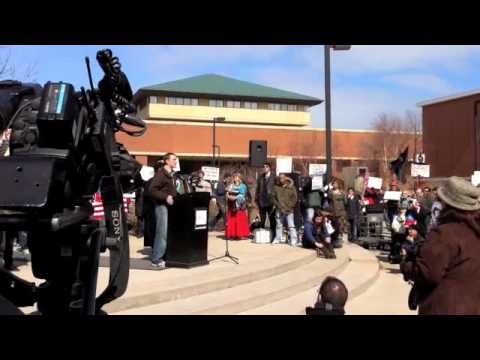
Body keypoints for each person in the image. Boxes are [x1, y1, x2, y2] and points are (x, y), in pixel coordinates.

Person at [401, 177, 480, 314]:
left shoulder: (444, 234)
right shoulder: (476, 232)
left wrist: (406, 264)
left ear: (446, 203)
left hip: (444, 307)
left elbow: (427, 273)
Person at [148, 153, 178, 268]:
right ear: (167, 161)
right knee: (162, 233)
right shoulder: (161, 174)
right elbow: (152, 190)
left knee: (166, 232)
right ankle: (156, 259)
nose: (175, 161)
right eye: (174, 159)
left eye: (176, 159)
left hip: (169, 207)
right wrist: (166, 197)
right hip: (161, 206)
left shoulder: (171, 175)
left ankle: (164, 255)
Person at [271, 173, 298, 246]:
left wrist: (290, 206)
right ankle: (277, 238)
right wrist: (278, 205)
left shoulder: (291, 187)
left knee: (291, 225)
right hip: (279, 208)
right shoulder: (276, 187)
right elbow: (273, 198)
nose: (281, 179)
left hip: (289, 209)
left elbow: (295, 198)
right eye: (280, 178)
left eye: (283, 178)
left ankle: (293, 240)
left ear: (286, 178)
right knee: (279, 225)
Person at [225, 173, 250, 240]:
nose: (235, 178)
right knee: (232, 220)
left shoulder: (243, 186)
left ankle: (240, 234)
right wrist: (228, 196)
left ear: (240, 178)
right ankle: (232, 234)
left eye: (237, 177)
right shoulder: (231, 185)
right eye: (234, 177)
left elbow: (242, 195)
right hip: (231, 204)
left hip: (239, 205)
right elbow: (227, 192)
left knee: (239, 219)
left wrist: (235, 197)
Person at [255, 163, 276, 240]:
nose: (265, 168)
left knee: (272, 219)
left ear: (269, 168)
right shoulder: (261, 177)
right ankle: (262, 237)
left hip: (270, 201)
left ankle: (273, 236)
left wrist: (275, 201)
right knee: (262, 220)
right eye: (264, 167)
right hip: (262, 201)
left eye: (266, 167)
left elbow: (276, 189)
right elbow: (257, 188)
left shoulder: (274, 177)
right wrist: (256, 199)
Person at [327, 180, 347, 248]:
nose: (335, 185)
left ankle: (339, 240)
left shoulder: (342, 192)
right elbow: (329, 197)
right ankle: (333, 240)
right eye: (333, 184)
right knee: (333, 226)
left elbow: (345, 202)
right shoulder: (330, 192)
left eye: (336, 184)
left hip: (341, 212)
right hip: (333, 212)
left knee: (340, 226)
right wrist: (329, 189)